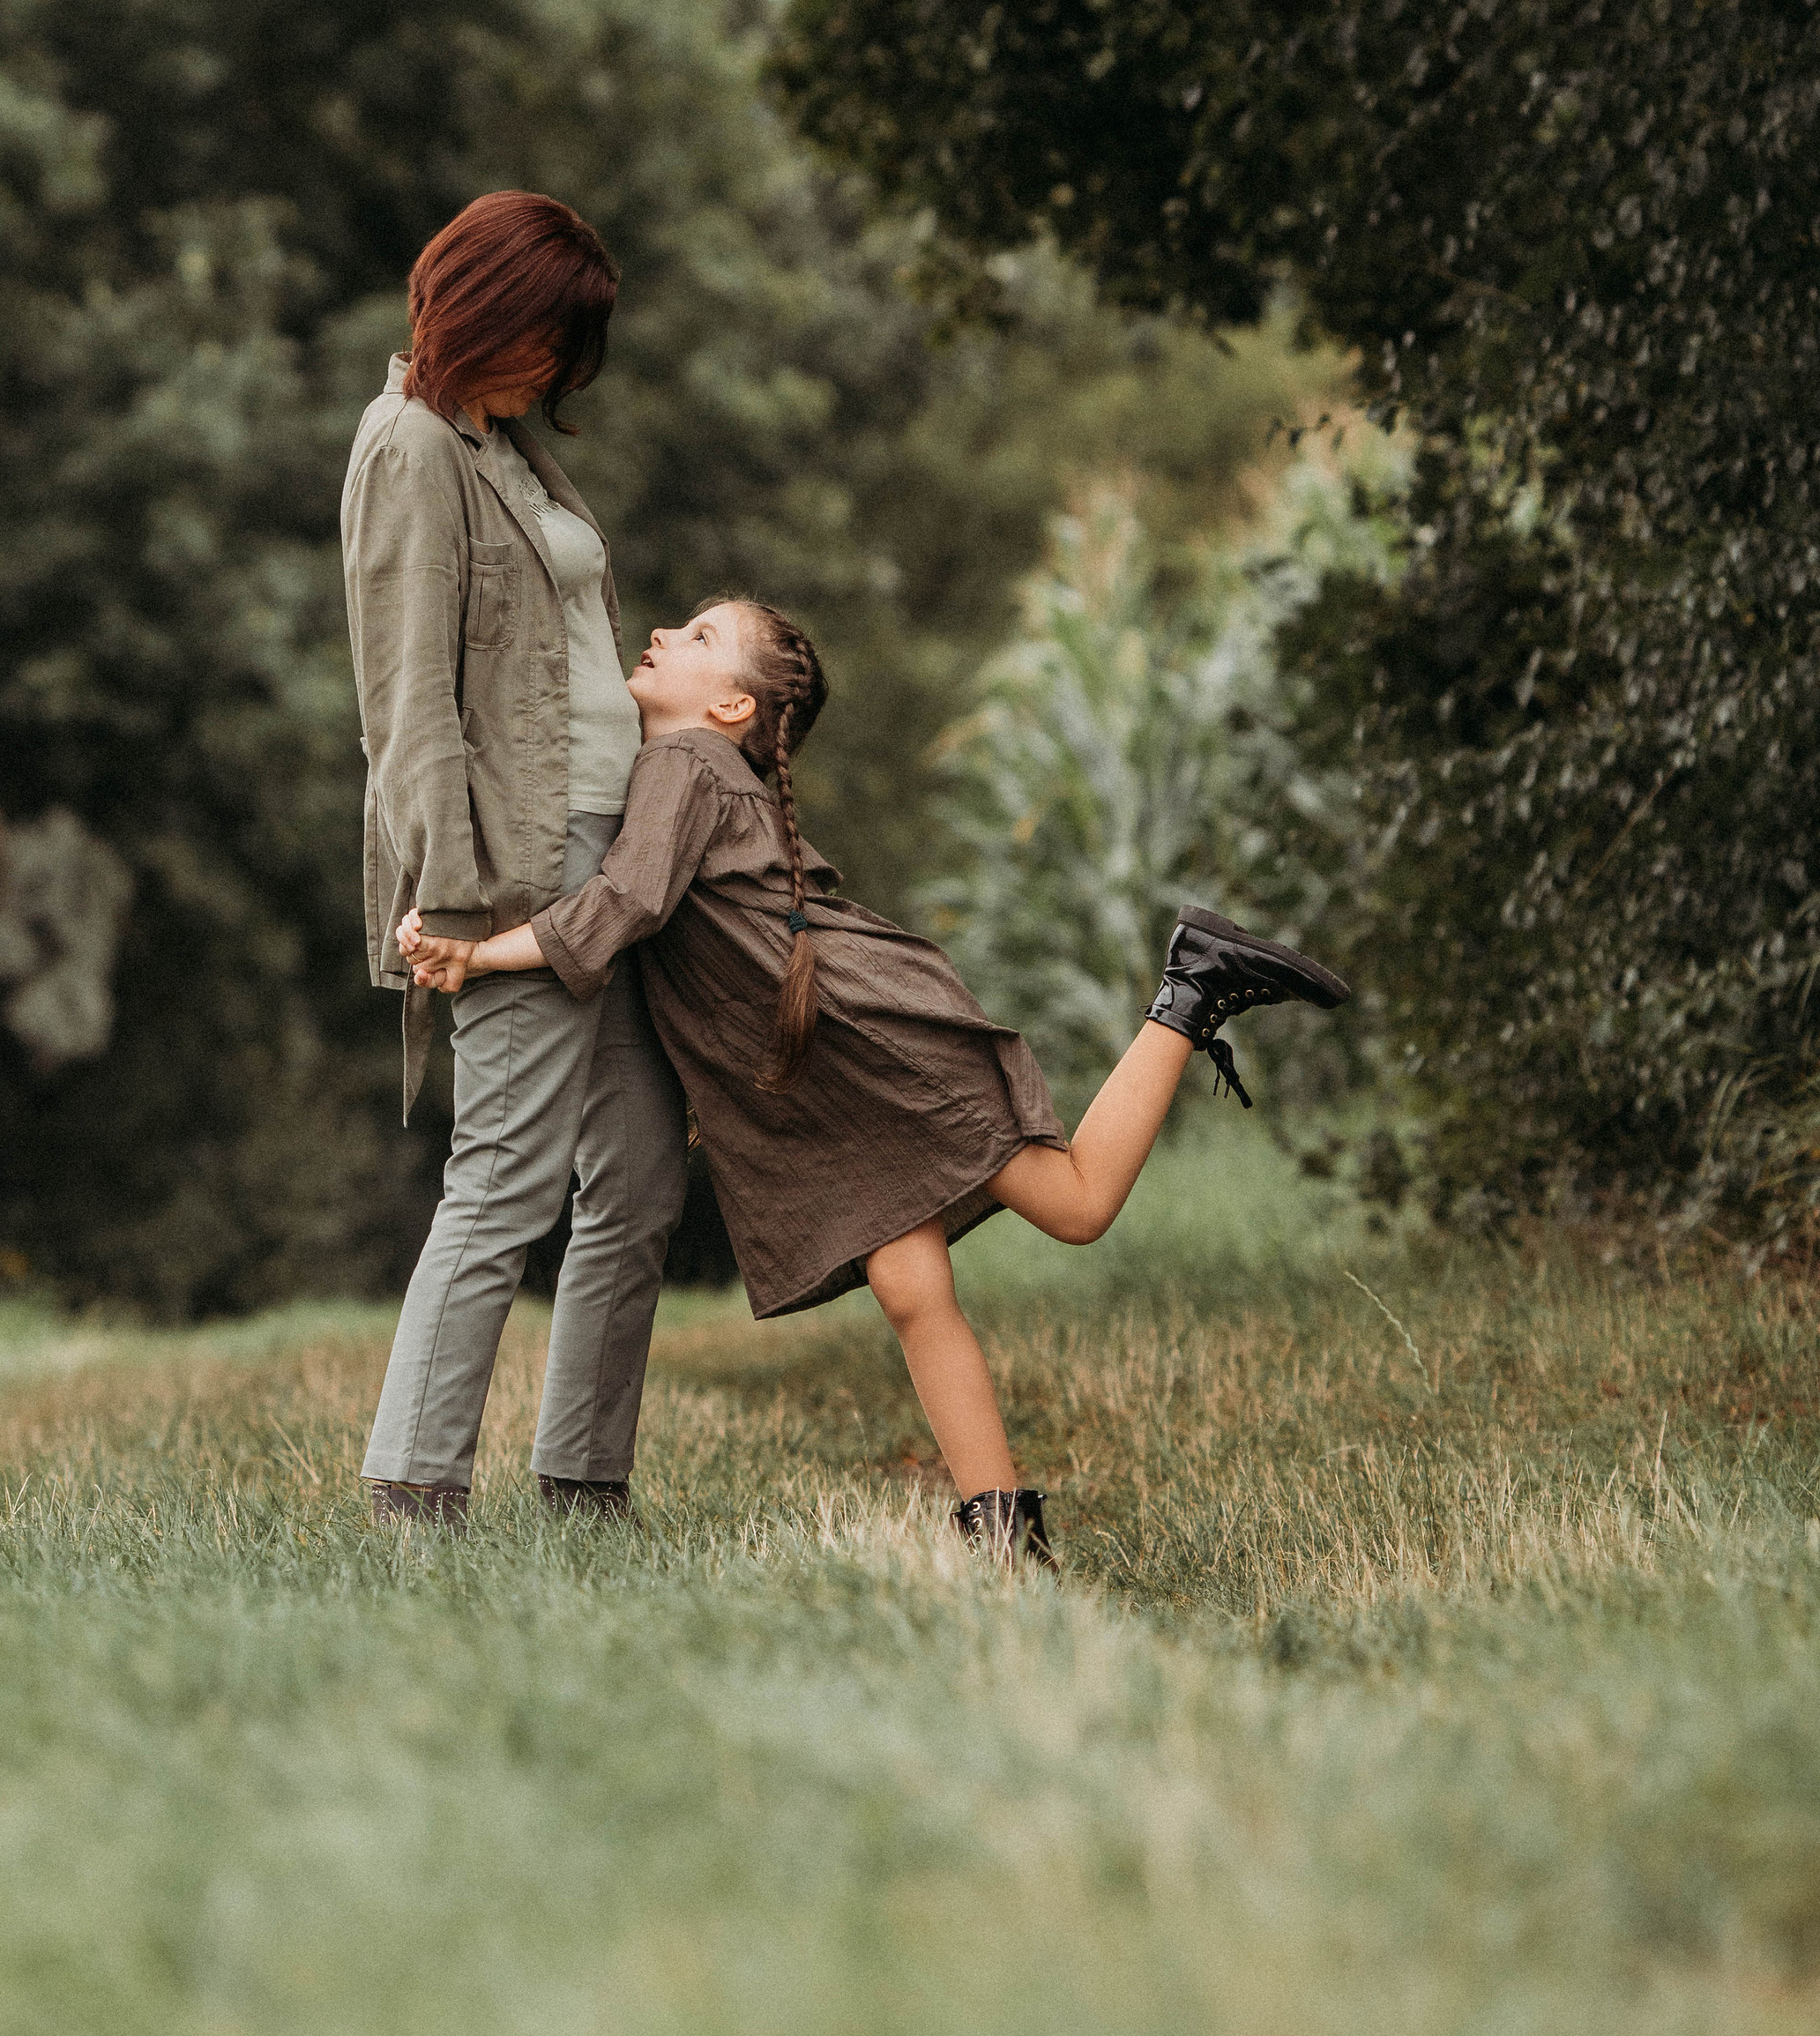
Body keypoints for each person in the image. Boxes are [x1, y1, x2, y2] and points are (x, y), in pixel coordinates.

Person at [401, 596, 1349, 1566]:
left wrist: (479, 957)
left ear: (731, 709)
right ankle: (998, 1529)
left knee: (1075, 1206)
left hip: (871, 1038)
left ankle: (1190, 988)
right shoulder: (700, 767)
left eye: (699, 639)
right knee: (909, 1287)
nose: (661, 635)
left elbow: (627, 900)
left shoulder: (682, 762)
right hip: (832, 1063)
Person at [342, 192, 689, 1533]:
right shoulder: (411, 447)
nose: (559, 367)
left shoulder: (511, 447)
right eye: (548, 335)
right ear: (482, 307)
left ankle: (583, 1484)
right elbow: (408, 699)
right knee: (505, 1177)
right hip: (512, 868)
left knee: (645, 1179)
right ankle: (413, 1490)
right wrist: (446, 890)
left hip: (611, 855)